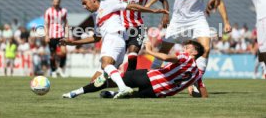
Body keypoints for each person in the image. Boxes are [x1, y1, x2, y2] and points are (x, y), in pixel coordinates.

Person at [146, 0, 232, 97]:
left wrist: (226, 21)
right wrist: (147, 6)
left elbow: (218, 1)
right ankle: (149, 79)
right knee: (163, 51)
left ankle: (196, 83)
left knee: (205, 49)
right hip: (178, 21)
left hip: (197, 19)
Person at [60, 0, 168, 99]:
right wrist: (73, 42)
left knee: (105, 64)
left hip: (114, 37)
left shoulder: (109, 3)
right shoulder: (95, 16)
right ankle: (74, 93)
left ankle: (123, 88)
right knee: (96, 80)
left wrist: (152, 11)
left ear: (93, 0)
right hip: (116, 42)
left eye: (85, 3)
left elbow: (132, 6)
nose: (84, 6)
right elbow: (96, 37)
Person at [62, 40, 205, 99]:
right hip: (158, 92)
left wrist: (150, 50)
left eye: (189, 46)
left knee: (110, 80)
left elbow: (167, 58)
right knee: (131, 96)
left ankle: (76, 92)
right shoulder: (197, 73)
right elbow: (199, 90)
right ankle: (113, 94)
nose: (186, 47)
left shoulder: (186, 56)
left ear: (195, 52)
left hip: (149, 77)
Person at [99, 0, 169, 72]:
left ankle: (130, 80)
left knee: (132, 55)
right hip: (120, 26)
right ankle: (110, 78)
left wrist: (165, 15)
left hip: (137, 26)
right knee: (116, 59)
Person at [44, 0, 68, 78]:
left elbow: (66, 23)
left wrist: (67, 34)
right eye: (54, 2)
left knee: (64, 52)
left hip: (61, 35)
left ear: (60, 2)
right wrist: (46, 35)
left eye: (57, 2)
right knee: (52, 54)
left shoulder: (64, 11)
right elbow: (46, 24)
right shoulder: (48, 11)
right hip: (52, 36)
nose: (56, 4)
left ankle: (60, 69)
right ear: (52, 2)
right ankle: (53, 71)